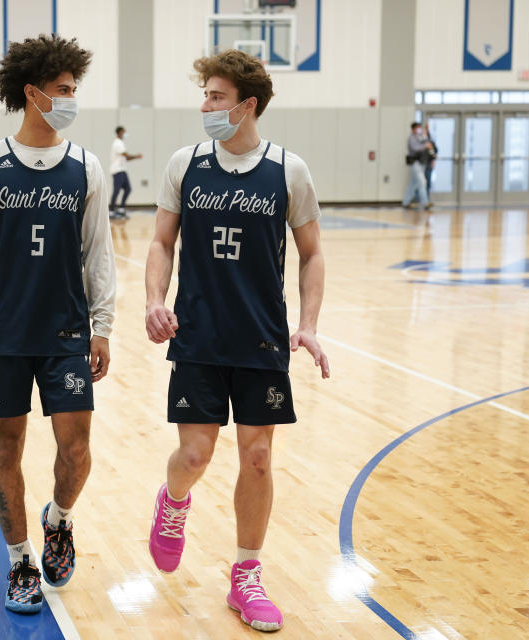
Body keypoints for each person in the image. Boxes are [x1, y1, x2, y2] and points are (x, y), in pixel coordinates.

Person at [144, 49, 330, 632]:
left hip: (261, 342)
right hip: (197, 335)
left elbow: (313, 253)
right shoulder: (186, 163)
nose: (206, 106)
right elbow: (160, 243)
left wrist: (309, 324)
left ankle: (246, 575)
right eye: (205, 95)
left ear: (247, 105)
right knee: (195, 456)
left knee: (256, 458)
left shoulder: (288, 171)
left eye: (216, 96)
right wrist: (155, 300)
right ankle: (173, 504)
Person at [0, 34, 116, 614]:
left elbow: (98, 253)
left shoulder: (86, 167)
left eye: (74, 89)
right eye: (64, 89)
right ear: (34, 93)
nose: (71, 98)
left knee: (77, 446)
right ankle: (19, 563)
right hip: (5, 334)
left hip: (66, 332)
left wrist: (103, 324)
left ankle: (58, 520)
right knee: (7, 448)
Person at [109, 126, 142, 219]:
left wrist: (136, 157)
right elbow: (125, 155)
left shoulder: (121, 143)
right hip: (117, 170)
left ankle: (121, 209)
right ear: (119, 133)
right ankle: (111, 211)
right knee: (117, 190)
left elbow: (126, 158)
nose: (125, 134)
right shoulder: (117, 143)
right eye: (124, 132)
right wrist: (136, 155)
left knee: (128, 189)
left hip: (122, 170)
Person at [402, 122, 434, 210]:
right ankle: (425, 203)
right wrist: (425, 146)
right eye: (418, 128)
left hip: (422, 163)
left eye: (420, 127)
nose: (419, 129)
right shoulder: (411, 138)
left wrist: (426, 133)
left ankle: (406, 202)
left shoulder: (421, 137)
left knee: (413, 183)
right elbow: (415, 148)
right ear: (413, 129)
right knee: (422, 182)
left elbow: (429, 143)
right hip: (415, 163)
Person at [423, 124, 438, 194]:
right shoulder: (420, 142)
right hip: (421, 165)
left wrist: (433, 161)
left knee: (428, 182)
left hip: (428, 165)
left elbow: (433, 154)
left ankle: (426, 199)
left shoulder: (430, 143)